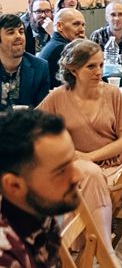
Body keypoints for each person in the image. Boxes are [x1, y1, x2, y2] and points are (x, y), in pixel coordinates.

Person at [38, 38, 122, 254]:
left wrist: (90, 157)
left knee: (87, 177)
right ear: (73, 69)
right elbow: (32, 127)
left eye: (100, 64)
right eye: (91, 66)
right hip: (75, 166)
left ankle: (84, 247)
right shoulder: (57, 97)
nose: (99, 71)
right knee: (85, 176)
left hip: (112, 167)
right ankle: (101, 248)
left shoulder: (113, 94)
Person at [0, 109, 81, 268]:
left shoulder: (40, 211)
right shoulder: (5, 257)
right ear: (14, 186)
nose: (78, 176)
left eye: (73, 160)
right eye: (61, 171)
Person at [0, 13, 49, 110]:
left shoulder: (40, 67)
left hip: (29, 123)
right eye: (10, 32)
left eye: (21, 31)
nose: (18, 36)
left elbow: (42, 111)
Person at [38, 7, 86, 87]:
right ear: (59, 26)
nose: (82, 30)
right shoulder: (62, 49)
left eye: (83, 25)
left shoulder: (56, 44)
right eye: (76, 24)